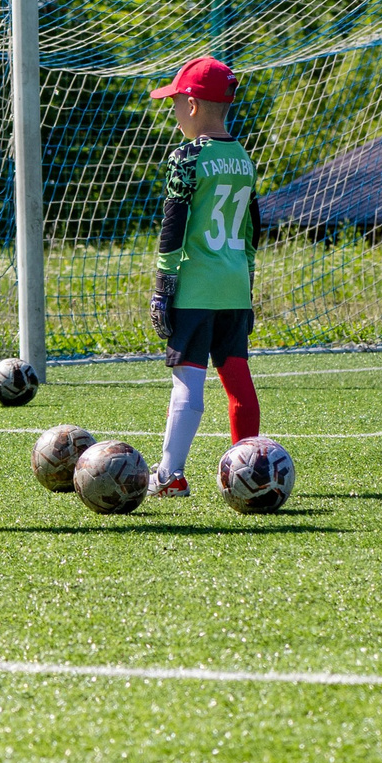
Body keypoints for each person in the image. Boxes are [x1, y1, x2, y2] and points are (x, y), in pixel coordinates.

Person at [144, 56, 262, 499]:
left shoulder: (186, 157)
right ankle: (249, 470)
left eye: (175, 102)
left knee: (187, 384)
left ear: (192, 105)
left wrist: (162, 290)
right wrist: (246, 281)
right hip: (234, 288)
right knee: (238, 382)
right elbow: (252, 230)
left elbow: (173, 228)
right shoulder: (243, 158)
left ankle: (169, 475)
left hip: (195, 288)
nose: (173, 111)